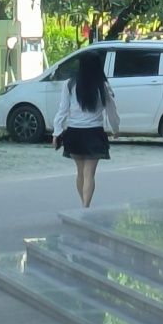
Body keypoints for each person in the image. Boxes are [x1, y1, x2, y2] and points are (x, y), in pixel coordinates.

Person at [52, 50, 120, 208]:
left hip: (74, 133)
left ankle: (83, 205)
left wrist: (57, 132)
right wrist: (115, 128)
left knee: (80, 172)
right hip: (94, 133)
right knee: (89, 173)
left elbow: (62, 110)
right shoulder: (103, 86)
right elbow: (111, 110)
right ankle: (85, 206)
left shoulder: (69, 84)